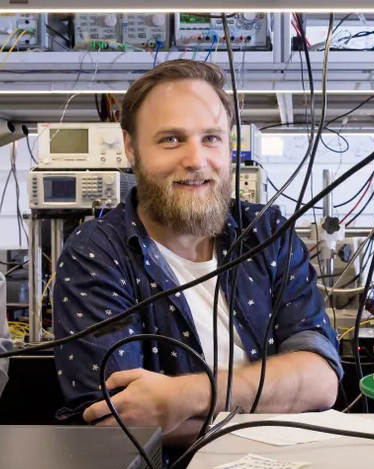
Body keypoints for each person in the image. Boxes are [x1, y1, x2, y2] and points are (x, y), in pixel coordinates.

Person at [53, 60, 341, 446]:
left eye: (211, 138)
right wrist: (276, 403)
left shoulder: (268, 233)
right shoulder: (97, 253)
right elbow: (118, 421)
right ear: (130, 148)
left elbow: (321, 381)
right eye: (171, 139)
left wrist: (186, 396)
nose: (195, 160)